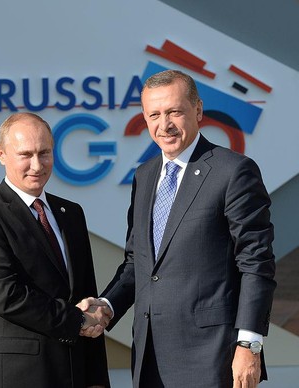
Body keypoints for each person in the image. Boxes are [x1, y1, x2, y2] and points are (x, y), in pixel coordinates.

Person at [81, 69, 276, 388]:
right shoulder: (144, 175)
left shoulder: (234, 171)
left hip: (212, 357)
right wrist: (107, 305)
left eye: (174, 111)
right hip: (149, 356)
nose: (164, 125)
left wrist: (249, 344)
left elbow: (256, 264)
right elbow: (138, 264)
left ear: (198, 110)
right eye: (154, 114)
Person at [0, 112, 111, 388]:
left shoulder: (71, 214)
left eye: (44, 152)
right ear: (1, 154)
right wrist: (76, 320)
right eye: (25, 154)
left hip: (74, 374)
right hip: (17, 376)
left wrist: (97, 379)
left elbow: (85, 294)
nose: (37, 165)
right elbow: (5, 296)